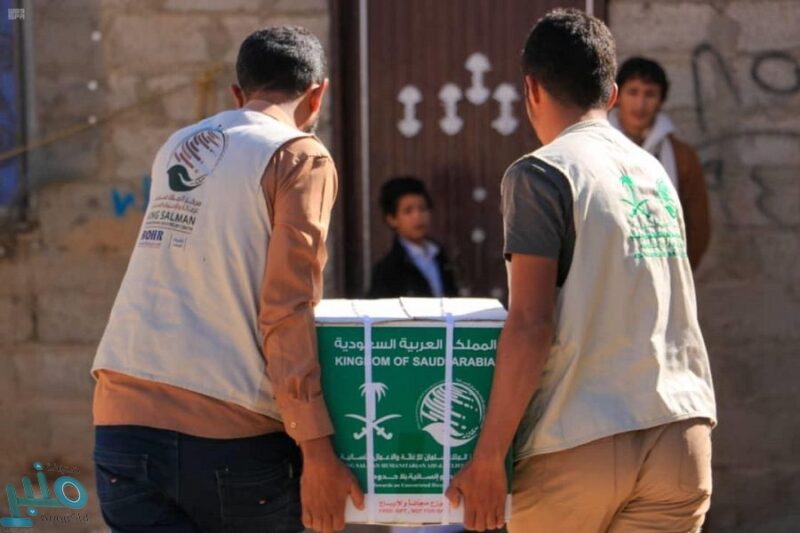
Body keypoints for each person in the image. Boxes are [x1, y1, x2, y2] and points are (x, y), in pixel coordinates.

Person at [446, 9, 716, 533]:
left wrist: (488, 456)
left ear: (531, 89)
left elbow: (530, 324)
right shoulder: (656, 172)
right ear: (612, 95)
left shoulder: (542, 173)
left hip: (578, 442)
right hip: (681, 437)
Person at [91, 26, 362, 533]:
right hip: (228, 439)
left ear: (238, 94)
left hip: (121, 428)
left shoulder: (178, 145)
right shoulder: (300, 154)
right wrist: (317, 450)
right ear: (318, 93)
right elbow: (287, 308)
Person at [610, 56, 711, 269]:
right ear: (616, 96)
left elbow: (698, 226)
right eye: (633, 92)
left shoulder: (681, 156)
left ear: (661, 100)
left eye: (650, 94)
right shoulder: (597, 147)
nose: (640, 104)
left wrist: (676, 273)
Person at [368, 176, 458, 298]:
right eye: (408, 211)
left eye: (423, 209)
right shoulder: (387, 270)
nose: (418, 217)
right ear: (392, 219)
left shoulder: (440, 256)